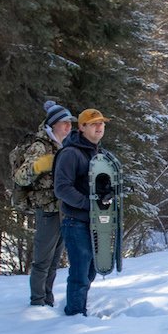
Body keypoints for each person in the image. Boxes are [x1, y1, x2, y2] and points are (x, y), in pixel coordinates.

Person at [13, 101, 73, 306]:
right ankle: (38, 301)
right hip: (47, 210)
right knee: (42, 261)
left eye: (70, 123)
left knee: (55, 260)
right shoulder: (40, 146)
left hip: (62, 209)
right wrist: (40, 165)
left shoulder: (63, 144)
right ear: (53, 124)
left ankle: (48, 298)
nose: (68, 127)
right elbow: (20, 177)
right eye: (64, 123)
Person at [54, 108, 113, 317]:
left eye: (101, 123)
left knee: (90, 271)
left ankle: (78, 311)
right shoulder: (71, 153)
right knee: (79, 273)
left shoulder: (100, 155)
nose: (99, 127)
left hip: (97, 223)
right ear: (82, 127)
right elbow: (62, 188)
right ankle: (75, 316)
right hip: (76, 221)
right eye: (93, 123)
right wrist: (89, 205)